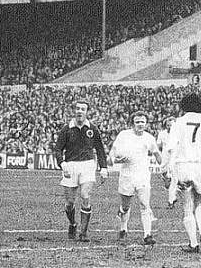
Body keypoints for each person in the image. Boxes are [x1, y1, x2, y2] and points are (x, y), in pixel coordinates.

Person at [162, 93, 201, 253]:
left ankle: (193, 244)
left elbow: (170, 147)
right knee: (200, 203)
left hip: (183, 166)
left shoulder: (178, 123)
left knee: (187, 207)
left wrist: (165, 168)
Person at [55, 100, 109, 242]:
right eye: (78, 108)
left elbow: (100, 149)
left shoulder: (92, 129)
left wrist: (103, 167)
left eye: (83, 109)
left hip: (88, 165)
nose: (80, 111)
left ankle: (83, 232)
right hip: (71, 166)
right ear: (74, 111)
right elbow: (58, 149)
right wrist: (62, 163)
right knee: (70, 202)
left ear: (87, 111)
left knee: (85, 196)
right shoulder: (66, 129)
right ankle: (73, 224)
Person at [110, 111, 161, 245]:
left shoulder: (149, 138)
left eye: (142, 122)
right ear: (132, 123)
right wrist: (117, 159)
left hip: (143, 176)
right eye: (137, 122)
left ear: (146, 123)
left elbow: (156, 153)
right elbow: (113, 153)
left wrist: (165, 167)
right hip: (127, 175)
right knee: (126, 206)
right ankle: (123, 228)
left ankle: (147, 235)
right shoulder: (124, 135)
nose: (140, 124)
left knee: (145, 205)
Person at [157, 116, 178, 209]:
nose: (170, 126)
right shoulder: (162, 134)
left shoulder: (178, 135)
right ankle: (173, 195)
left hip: (174, 158)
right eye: (168, 125)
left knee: (173, 179)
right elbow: (158, 145)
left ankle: (171, 200)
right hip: (165, 157)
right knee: (164, 174)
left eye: (172, 125)